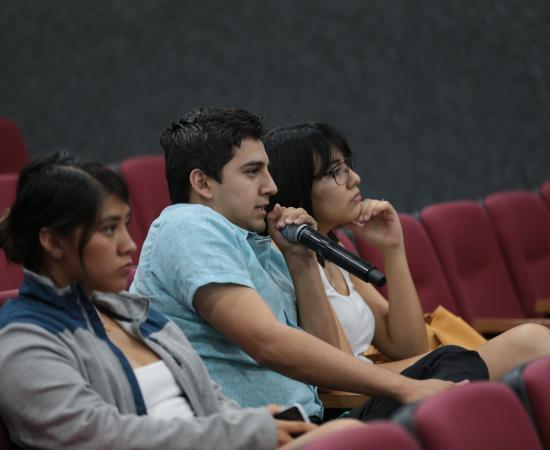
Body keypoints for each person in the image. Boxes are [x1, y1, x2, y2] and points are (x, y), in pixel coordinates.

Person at [131, 106, 488, 423]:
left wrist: (301, 263)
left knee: (451, 363)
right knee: (452, 376)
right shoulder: (188, 225)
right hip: (257, 431)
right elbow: (266, 341)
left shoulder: (262, 245)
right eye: (253, 172)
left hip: (311, 418)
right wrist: (404, 387)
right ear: (202, 183)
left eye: (268, 171)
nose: (271, 186)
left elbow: (329, 359)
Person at [0, 152, 362, 450]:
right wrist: (247, 431)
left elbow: (212, 401)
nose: (128, 244)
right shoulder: (23, 341)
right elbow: (100, 436)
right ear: (53, 242)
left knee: (354, 433)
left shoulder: (133, 314)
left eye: (125, 225)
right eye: (109, 229)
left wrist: (256, 423)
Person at [262, 121, 550, 382]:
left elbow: (408, 346)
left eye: (347, 166)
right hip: (363, 396)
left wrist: (393, 248)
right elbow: (343, 371)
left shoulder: (334, 248)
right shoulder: (290, 258)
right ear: (299, 186)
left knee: (530, 343)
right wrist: (443, 359)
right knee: (529, 341)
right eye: (335, 172)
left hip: (384, 381)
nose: (355, 179)